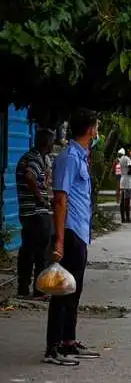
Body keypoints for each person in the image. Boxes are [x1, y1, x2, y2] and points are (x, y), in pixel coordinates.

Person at [46, 109, 101, 365]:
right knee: (62, 290)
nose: (97, 131)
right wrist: (58, 239)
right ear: (91, 129)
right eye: (97, 126)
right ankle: (53, 348)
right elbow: (59, 199)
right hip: (68, 232)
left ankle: (68, 341)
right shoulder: (68, 158)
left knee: (74, 289)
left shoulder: (81, 157)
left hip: (80, 232)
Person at [16, 128, 55, 300]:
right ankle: (39, 290)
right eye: (52, 142)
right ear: (47, 143)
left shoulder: (30, 157)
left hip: (27, 212)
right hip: (37, 212)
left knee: (27, 251)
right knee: (42, 253)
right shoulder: (35, 159)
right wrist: (41, 198)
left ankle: (23, 288)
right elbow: (30, 176)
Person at [118, 149, 131, 223]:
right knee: (127, 200)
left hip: (122, 180)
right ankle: (127, 217)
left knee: (122, 201)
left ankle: (122, 218)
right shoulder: (128, 159)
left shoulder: (120, 159)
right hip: (128, 181)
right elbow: (130, 168)